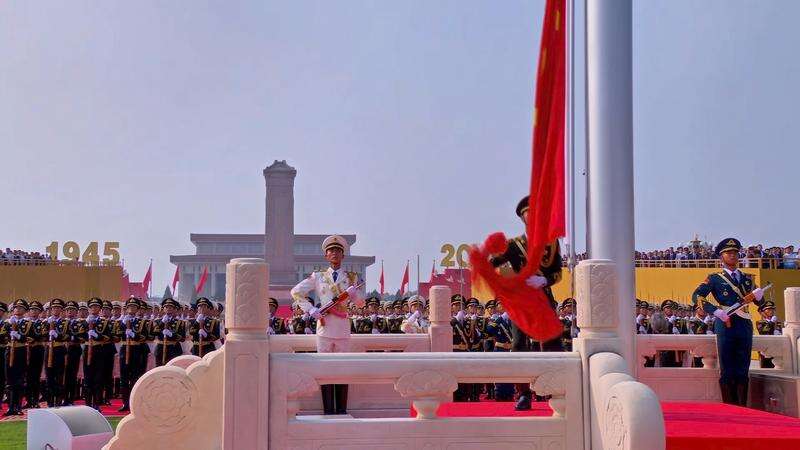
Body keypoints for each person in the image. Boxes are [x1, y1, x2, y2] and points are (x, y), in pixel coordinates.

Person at [489, 195, 563, 410]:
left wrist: (544, 280)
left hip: (543, 300)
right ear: (523, 219)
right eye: (529, 215)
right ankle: (523, 394)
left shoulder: (551, 243)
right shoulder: (513, 245)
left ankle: (555, 388)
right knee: (519, 345)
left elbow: (557, 272)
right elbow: (493, 263)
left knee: (552, 343)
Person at [290, 234, 365, 415]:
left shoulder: (351, 277)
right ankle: (328, 410)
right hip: (324, 327)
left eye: (338, 250)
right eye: (331, 251)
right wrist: (310, 309)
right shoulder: (318, 276)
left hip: (342, 328)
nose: (334, 253)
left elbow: (362, 304)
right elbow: (295, 292)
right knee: (324, 369)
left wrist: (354, 295)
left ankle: (341, 410)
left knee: (342, 370)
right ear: (326, 255)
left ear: (343, 255)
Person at [692, 237, 766, 406]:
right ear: (721, 257)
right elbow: (696, 296)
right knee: (727, 367)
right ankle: (729, 406)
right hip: (725, 322)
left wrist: (760, 298)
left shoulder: (748, 279)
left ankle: (742, 406)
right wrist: (715, 310)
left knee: (743, 366)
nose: (732, 255)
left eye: (735, 253)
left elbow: (760, 304)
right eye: (728, 253)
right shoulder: (715, 278)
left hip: (744, 323)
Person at [3, 299, 33, 416]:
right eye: (16, 307)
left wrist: (19, 336)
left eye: (20, 308)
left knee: (19, 380)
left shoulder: (28, 323)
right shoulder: (7, 323)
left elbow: (31, 338)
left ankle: (18, 406)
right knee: (9, 380)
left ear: (25, 310)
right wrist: (8, 335)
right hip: (9, 350)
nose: (17, 309)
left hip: (21, 351)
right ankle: (11, 407)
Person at [43, 298, 70, 407]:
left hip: (59, 350)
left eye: (58, 308)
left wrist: (57, 335)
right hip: (48, 349)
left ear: (61, 310)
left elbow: (68, 336)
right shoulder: (45, 322)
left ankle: (58, 400)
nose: (55, 309)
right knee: (49, 377)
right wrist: (47, 333)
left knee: (59, 377)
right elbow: (40, 336)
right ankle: (50, 402)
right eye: (54, 308)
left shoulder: (65, 322)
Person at [152, 297, 186, 366]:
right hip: (160, 349)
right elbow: (154, 333)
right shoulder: (157, 321)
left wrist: (171, 334)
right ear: (163, 309)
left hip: (174, 350)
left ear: (174, 309)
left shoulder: (180, 322)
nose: (168, 309)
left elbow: (182, 338)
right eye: (166, 307)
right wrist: (162, 322)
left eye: (170, 307)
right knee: (160, 369)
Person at [24, 300, 45, 409]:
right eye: (32, 309)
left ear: (40, 311)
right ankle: (28, 400)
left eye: (36, 310)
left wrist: (34, 339)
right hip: (25, 349)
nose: (34, 311)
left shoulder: (42, 323)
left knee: (35, 376)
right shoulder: (24, 323)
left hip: (37, 349)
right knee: (27, 376)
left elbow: (43, 335)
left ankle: (35, 400)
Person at [756, 301, 782, 368]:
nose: (771, 311)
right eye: (768, 309)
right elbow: (764, 331)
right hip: (766, 349)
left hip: (776, 348)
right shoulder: (760, 322)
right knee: (767, 369)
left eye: (772, 309)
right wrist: (772, 322)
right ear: (762, 312)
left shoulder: (777, 322)